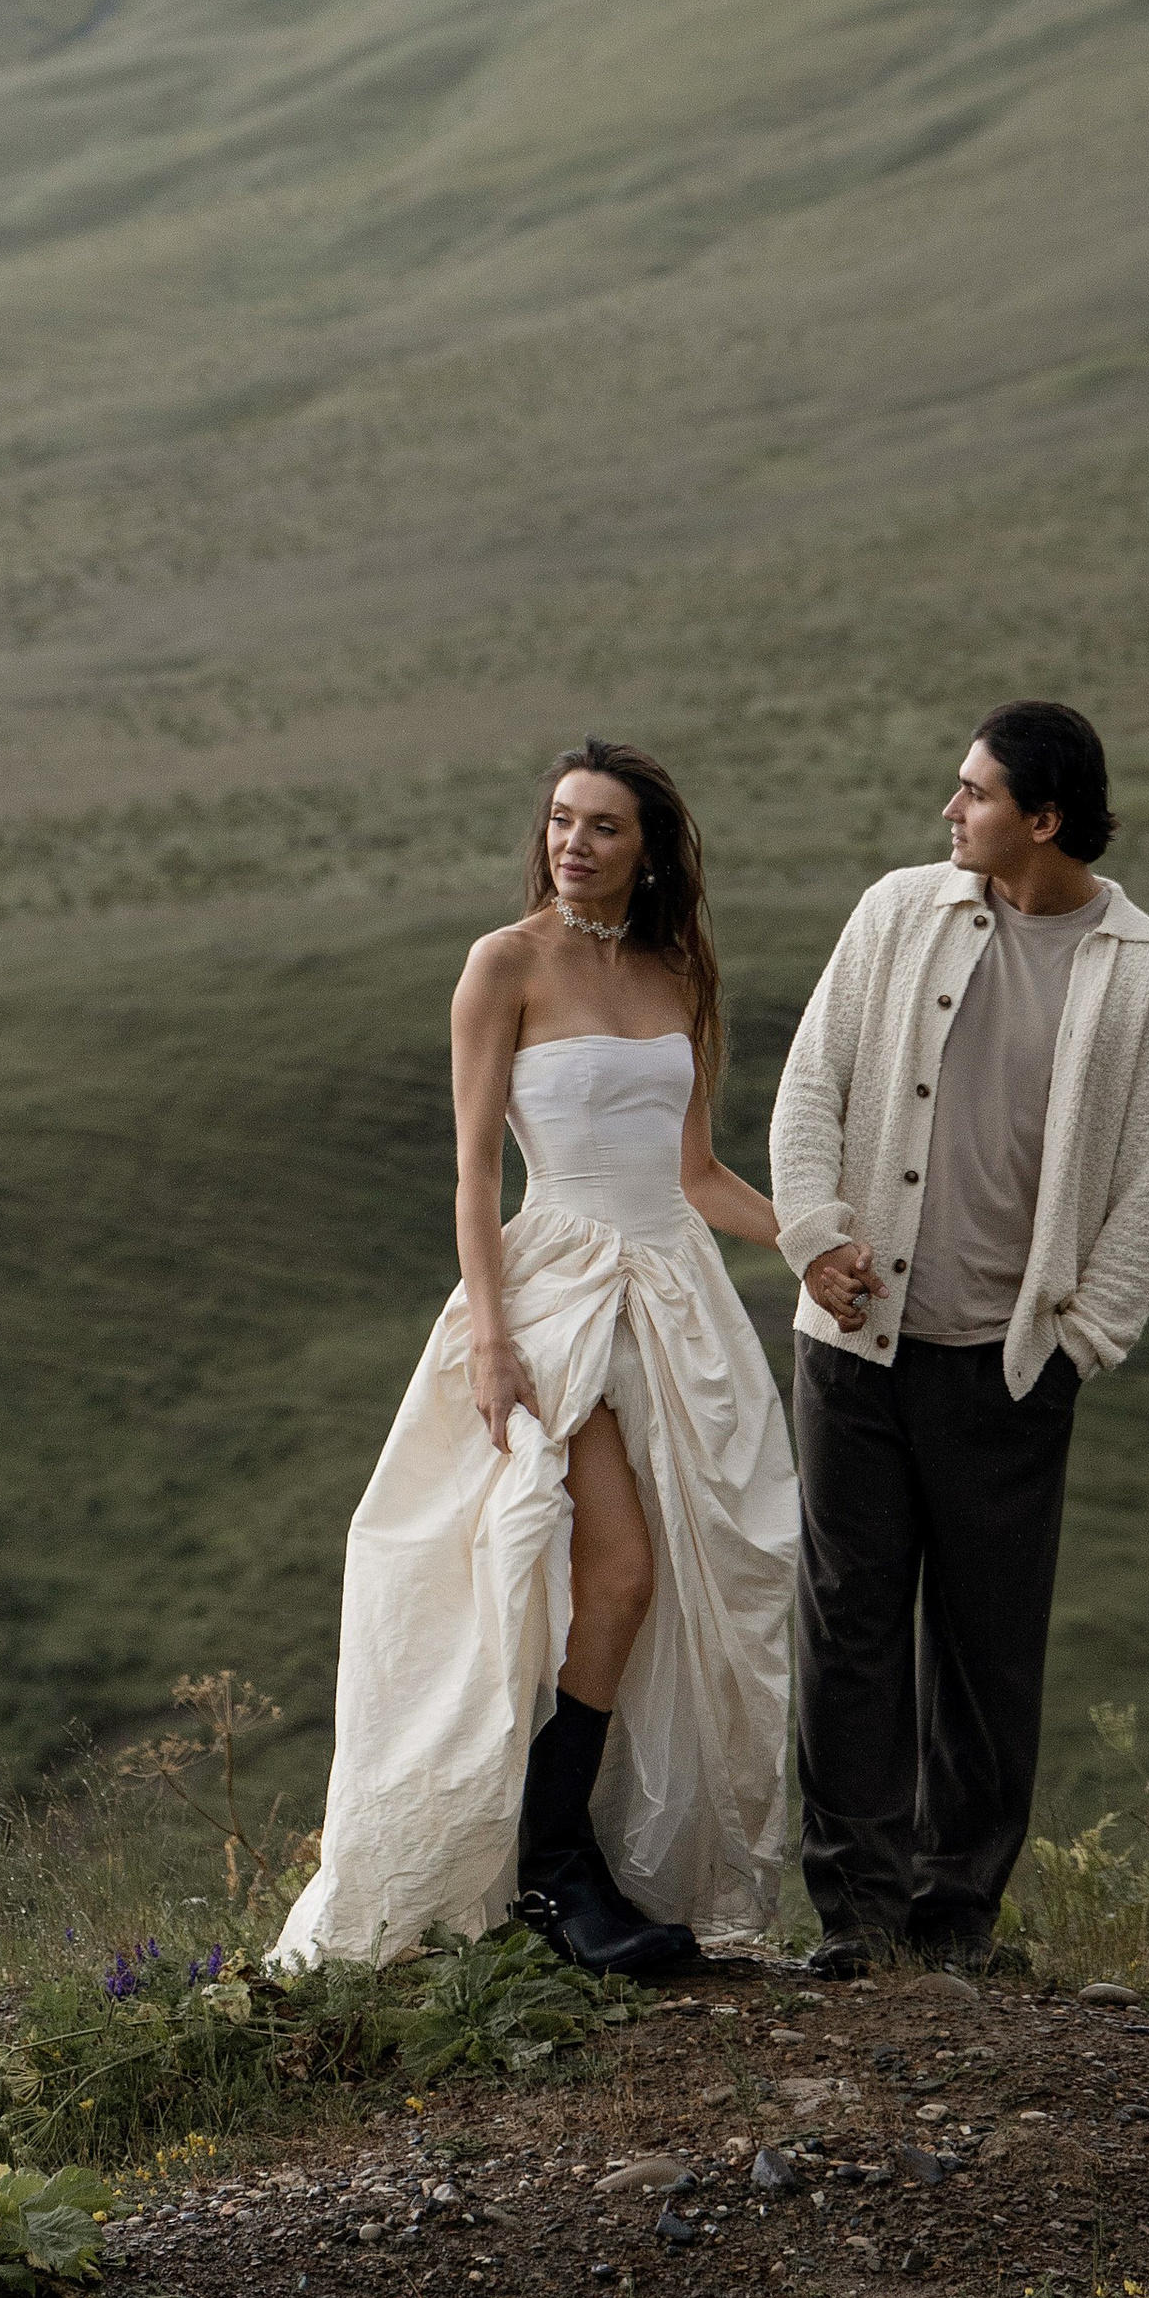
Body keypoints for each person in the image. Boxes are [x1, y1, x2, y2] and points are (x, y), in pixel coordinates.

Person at [275, 739, 797, 1977]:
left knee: (692, 1577)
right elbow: (472, 1171)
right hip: (557, 1291)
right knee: (613, 1572)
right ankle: (552, 1871)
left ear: (649, 850)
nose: (574, 843)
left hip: (675, 1294)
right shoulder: (503, 962)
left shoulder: (679, 970)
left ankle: (580, 1857)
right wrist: (492, 1336)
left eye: (603, 826)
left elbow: (695, 1174)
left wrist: (813, 1240)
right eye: (561, 820)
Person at [768, 699, 1149, 1973]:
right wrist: (815, 1239)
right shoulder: (897, 911)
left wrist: (1084, 1339)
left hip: (1008, 1365)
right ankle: (857, 1921)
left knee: (985, 1650)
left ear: (1044, 819)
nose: (949, 809)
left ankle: (955, 1922)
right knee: (848, 1627)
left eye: (975, 792)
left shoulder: (1146, 979)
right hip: (854, 1340)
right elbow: (810, 1084)